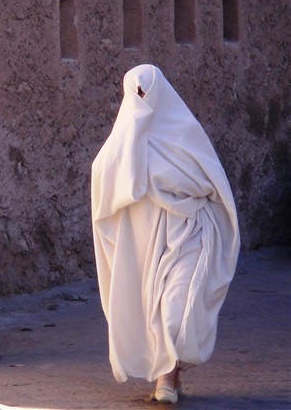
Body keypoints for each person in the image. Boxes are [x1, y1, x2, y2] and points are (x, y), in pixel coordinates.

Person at [91, 64, 240, 404]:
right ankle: (168, 374)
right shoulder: (119, 146)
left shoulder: (184, 132)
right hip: (144, 243)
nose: (142, 100)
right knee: (153, 314)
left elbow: (211, 183)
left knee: (176, 306)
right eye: (136, 93)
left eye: (147, 92)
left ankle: (167, 379)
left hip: (189, 234)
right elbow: (105, 185)